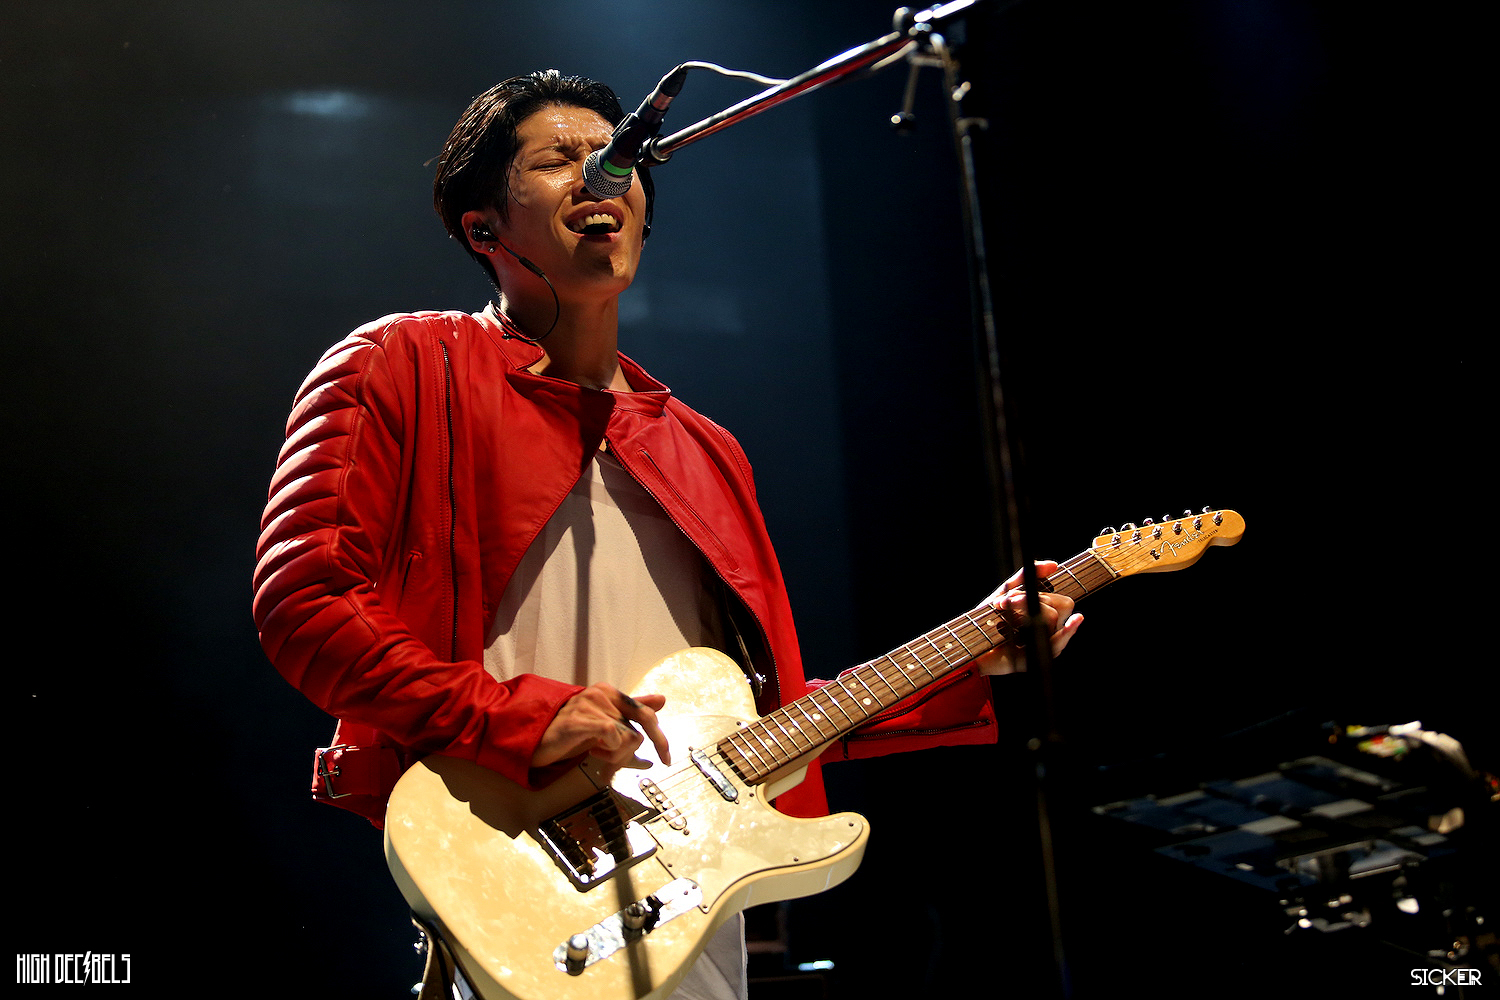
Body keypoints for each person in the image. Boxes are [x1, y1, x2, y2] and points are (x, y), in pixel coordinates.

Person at [253, 69, 1081, 1000]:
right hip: (512, 886)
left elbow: (762, 722)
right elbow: (305, 602)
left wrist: (971, 656)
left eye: (615, 157)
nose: (600, 174)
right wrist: (514, 719)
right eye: (558, 159)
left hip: (693, 915)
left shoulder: (706, 451)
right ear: (484, 229)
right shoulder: (401, 364)